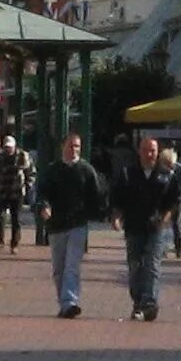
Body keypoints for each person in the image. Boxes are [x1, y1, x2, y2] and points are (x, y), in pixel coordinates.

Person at [110, 136, 181, 321]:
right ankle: (138, 302)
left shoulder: (166, 175)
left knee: (152, 264)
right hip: (134, 226)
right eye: (146, 150)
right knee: (135, 266)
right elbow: (117, 199)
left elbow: (174, 201)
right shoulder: (128, 173)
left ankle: (149, 303)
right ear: (139, 151)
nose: (149, 154)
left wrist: (164, 218)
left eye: (153, 150)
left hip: (156, 227)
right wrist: (117, 218)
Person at [35, 132, 109, 319]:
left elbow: (97, 194)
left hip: (78, 224)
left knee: (72, 265)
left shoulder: (86, 170)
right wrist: (44, 207)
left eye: (77, 146)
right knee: (59, 268)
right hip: (56, 225)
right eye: (71, 145)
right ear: (63, 147)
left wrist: (101, 212)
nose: (74, 149)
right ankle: (64, 303)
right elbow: (42, 193)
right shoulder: (53, 170)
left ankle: (70, 301)